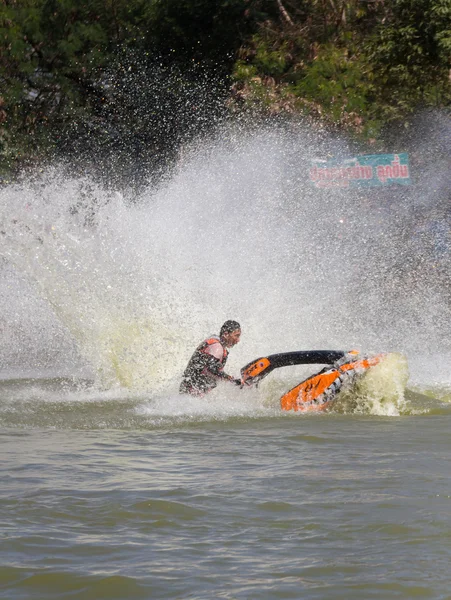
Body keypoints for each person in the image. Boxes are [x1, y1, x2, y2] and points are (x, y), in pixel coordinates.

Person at [180, 320, 242, 396]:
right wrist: (231, 379)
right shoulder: (217, 347)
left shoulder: (216, 343)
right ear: (226, 334)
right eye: (236, 336)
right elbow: (212, 368)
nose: (238, 340)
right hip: (192, 391)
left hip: (190, 389)